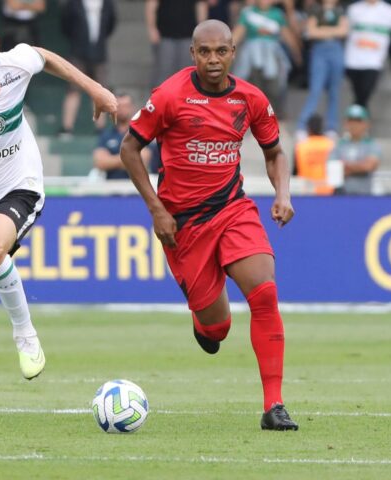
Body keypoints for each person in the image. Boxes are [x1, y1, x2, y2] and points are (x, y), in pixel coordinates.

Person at [0, 15, 117, 418]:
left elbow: (46, 57)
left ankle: (25, 333)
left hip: (19, 183)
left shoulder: (15, 63)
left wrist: (96, 90)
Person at [120, 20, 298, 431]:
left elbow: (275, 153)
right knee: (217, 329)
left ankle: (274, 406)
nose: (214, 60)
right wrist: (156, 210)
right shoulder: (168, 96)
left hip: (233, 210)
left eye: (222, 51)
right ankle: (205, 324)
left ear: (233, 52)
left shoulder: (250, 98)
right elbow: (130, 148)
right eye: (205, 52)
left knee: (265, 292)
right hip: (182, 226)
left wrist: (282, 193)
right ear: (193, 54)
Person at [344, 0, 391, 111]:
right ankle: (358, 118)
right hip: (352, 61)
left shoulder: (389, 11)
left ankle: (357, 119)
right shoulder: (354, 9)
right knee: (358, 95)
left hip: (373, 62)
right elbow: (343, 29)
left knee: (364, 93)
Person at [231, 0, 302, 118]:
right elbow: (237, 34)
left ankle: (276, 113)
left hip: (273, 55)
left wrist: (297, 54)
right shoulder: (248, 13)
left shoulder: (277, 14)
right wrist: (227, 50)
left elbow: (287, 35)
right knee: (248, 83)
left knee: (278, 82)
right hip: (252, 55)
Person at [59, 0, 117, 136]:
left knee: (100, 90)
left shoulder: (107, 3)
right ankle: (67, 127)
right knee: (73, 90)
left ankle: (100, 128)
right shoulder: (74, 3)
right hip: (78, 52)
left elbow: (111, 24)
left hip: (99, 52)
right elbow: (65, 24)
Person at [295, 0, 347, 139]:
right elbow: (311, 32)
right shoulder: (315, 9)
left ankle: (331, 127)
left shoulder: (341, 9)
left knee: (334, 91)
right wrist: (332, 32)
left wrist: (322, 31)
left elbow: (344, 31)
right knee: (315, 90)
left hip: (336, 50)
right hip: (320, 50)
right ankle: (302, 125)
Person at [146, 0, 208, 86]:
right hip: (165, 35)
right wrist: (152, 29)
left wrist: (201, 31)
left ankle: (185, 98)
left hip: (189, 35)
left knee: (188, 73)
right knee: (164, 71)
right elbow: (151, 4)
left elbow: (201, 5)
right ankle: (159, 98)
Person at [93, 93, 152, 179]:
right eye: (119, 106)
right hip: (111, 186)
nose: (122, 109)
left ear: (132, 108)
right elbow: (100, 162)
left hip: (136, 186)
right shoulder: (106, 135)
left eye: (125, 106)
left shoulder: (141, 132)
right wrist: (131, 160)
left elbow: (144, 159)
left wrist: (111, 161)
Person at [329, 104, 380, 195]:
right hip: (341, 196)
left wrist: (346, 166)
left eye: (358, 121)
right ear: (346, 123)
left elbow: (368, 166)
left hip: (365, 196)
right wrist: (359, 167)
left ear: (366, 124)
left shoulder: (372, 145)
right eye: (351, 121)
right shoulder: (339, 145)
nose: (354, 125)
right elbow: (334, 172)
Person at [294, 114, 335, 195]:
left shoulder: (300, 147)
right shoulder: (331, 145)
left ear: (308, 128)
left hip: (306, 191)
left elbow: (294, 171)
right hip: (328, 192)